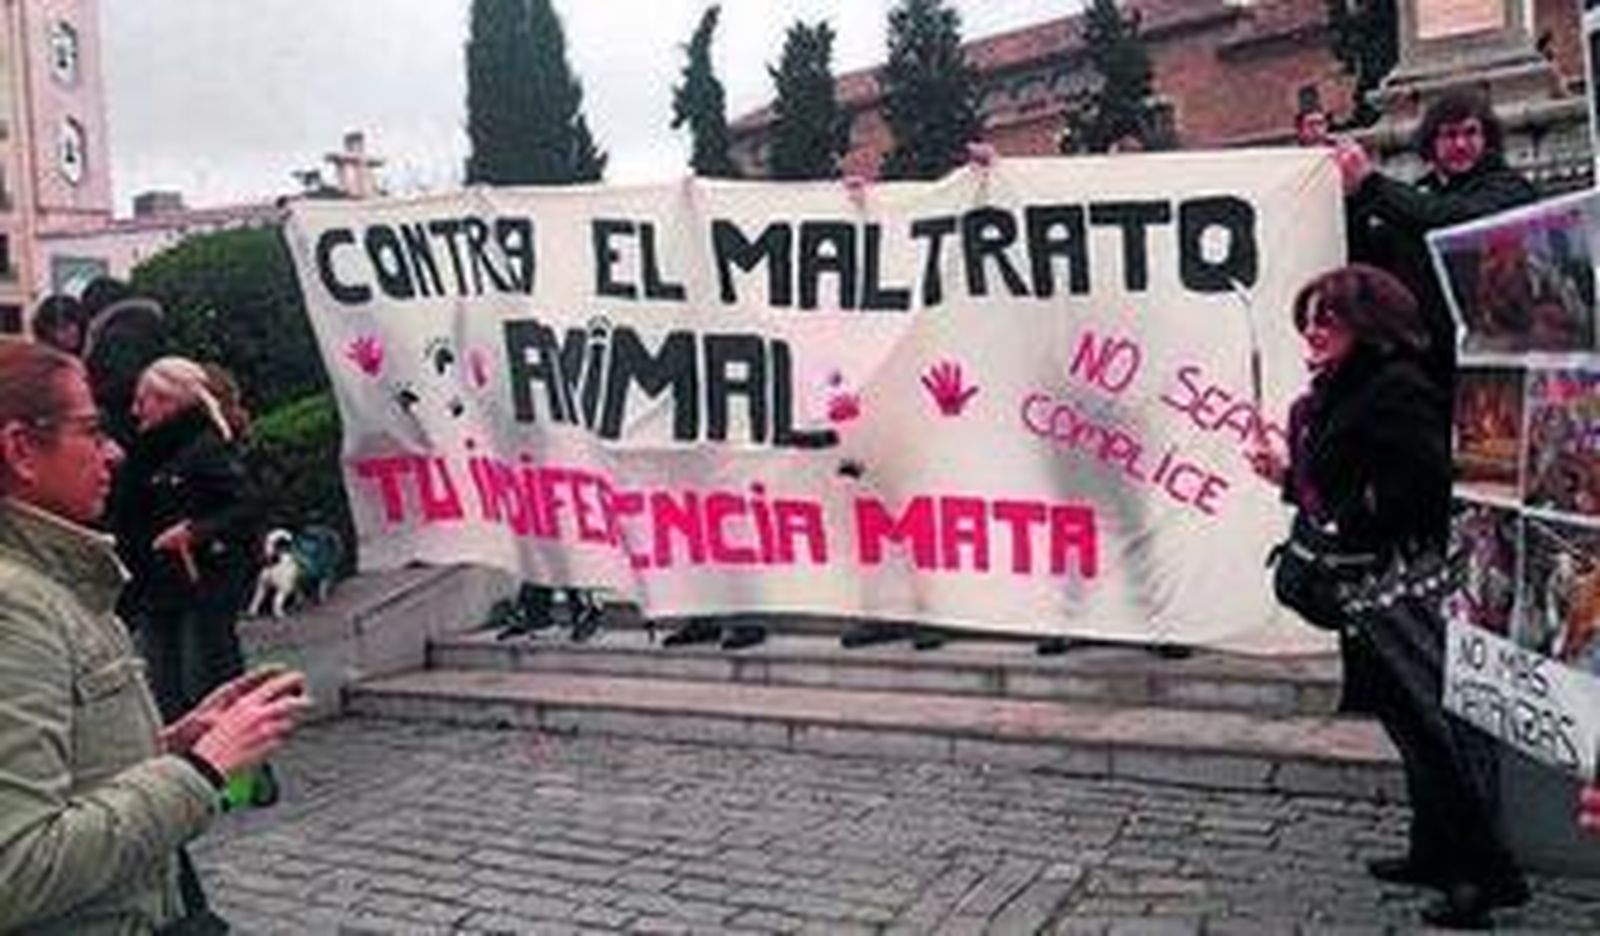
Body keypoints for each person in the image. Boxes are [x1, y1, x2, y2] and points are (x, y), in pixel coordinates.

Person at [1247, 265, 1526, 929]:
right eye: (1308, 318)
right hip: (1370, 592)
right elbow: (1341, 487)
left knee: (1440, 732)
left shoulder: (1394, 386)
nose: (1312, 331)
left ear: (1367, 326)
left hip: (1401, 592)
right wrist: (1287, 477)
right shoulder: (1342, 387)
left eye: (1328, 318)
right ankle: (1432, 852)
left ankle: (1483, 878)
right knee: (1409, 729)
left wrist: (1362, 516)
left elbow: (1428, 485)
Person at [0, 337, 308, 933]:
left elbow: (71, 770)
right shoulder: (15, 606)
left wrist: (170, 745)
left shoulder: (56, 579)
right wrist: (198, 769)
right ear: (20, 450)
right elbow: (18, 868)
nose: (114, 451)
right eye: (91, 431)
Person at [1336, 89, 1537, 387]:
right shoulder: (1417, 195)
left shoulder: (1508, 188)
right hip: (1426, 361)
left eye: (1470, 133)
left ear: (1488, 139)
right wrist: (1350, 202)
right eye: (1449, 135)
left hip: (1495, 355)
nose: (1460, 144)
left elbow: (1451, 219)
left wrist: (1371, 184)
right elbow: (1373, 258)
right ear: (1431, 143)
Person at [108, 357, 262, 724]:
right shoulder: (148, 451)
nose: (135, 410)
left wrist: (194, 532)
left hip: (201, 585)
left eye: (143, 400)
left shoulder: (206, 448)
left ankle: (240, 776)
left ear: (168, 401)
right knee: (163, 694)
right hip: (155, 588)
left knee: (205, 688)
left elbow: (249, 505)